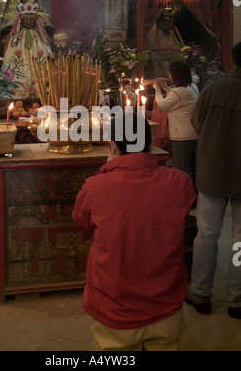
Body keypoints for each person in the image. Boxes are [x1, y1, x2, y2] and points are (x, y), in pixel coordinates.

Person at [73, 115, 196, 351]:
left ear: (112, 145)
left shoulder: (95, 188)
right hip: (166, 307)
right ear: (150, 145)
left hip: (115, 308)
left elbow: (83, 220)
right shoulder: (180, 181)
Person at [185, 42, 241, 319]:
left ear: (233, 59)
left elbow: (197, 124)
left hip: (213, 171)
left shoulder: (214, 90)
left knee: (206, 235)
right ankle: (237, 300)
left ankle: (200, 292)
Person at [153, 61, 199, 186]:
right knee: (192, 168)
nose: (169, 77)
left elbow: (162, 105)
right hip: (192, 133)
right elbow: (175, 97)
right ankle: (193, 197)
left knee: (183, 169)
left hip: (182, 136)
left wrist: (157, 90)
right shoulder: (191, 87)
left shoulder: (180, 91)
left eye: (170, 74)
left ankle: (186, 197)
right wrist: (165, 87)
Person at [0, 1, 52, 99]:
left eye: (31, 20)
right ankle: (18, 90)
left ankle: (40, 91)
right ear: (21, 21)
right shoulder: (16, 36)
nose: (29, 22)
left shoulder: (39, 36)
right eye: (26, 19)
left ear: (35, 21)